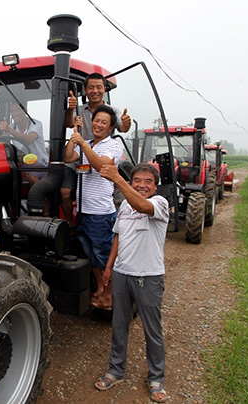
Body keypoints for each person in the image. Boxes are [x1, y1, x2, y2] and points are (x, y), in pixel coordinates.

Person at [95, 162, 169, 403]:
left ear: (155, 187)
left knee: (152, 329)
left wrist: (118, 179)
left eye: (148, 181)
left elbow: (142, 205)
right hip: (122, 274)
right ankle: (116, 370)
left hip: (148, 276)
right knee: (119, 325)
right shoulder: (125, 204)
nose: (142, 185)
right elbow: (118, 235)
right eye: (137, 180)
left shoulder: (159, 204)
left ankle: (156, 377)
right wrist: (108, 267)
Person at [64, 105, 123, 310]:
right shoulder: (86, 142)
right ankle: (100, 288)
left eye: (103, 122)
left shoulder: (113, 145)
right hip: (83, 210)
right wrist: (74, 136)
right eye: (96, 120)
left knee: (103, 255)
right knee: (91, 254)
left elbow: (102, 167)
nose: (98, 124)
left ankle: (110, 295)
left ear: (110, 127)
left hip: (101, 213)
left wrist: (83, 145)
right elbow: (68, 157)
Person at [61, 73, 132, 225]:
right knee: (65, 191)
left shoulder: (113, 111)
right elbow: (68, 124)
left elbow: (123, 127)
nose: (95, 91)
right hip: (79, 155)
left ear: (104, 89)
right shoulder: (79, 110)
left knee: (110, 188)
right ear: (85, 90)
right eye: (91, 87)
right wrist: (70, 109)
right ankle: (69, 224)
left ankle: (119, 225)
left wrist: (127, 123)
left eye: (99, 87)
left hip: (100, 156)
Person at [0, 102, 48, 186]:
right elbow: (2, 139)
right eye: (12, 111)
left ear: (25, 111)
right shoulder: (11, 126)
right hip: (26, 168)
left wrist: (8, 129)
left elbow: (28, 139)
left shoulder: (36, 124)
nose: (14, 114)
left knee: (43, 189)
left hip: (42, 166)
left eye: (18, 110)